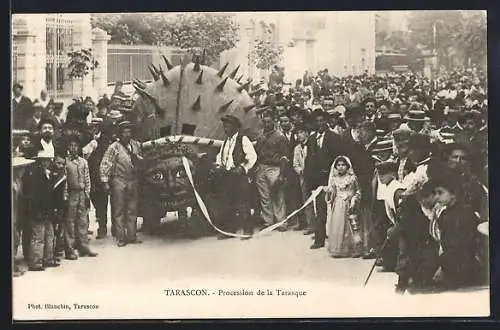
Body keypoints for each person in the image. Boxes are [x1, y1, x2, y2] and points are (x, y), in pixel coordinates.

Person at [432, 174, 484, 289]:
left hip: (463, 261)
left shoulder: (466, 213)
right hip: (451, 258)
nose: (437, 197)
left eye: (440, 193)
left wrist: (443, 266)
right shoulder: (445, 213)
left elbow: (463, 245)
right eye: (435, 193)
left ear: (453, 194)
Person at [305, 109, 345, 249]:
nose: (320, 124)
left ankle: (335, 239)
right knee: (319, 210)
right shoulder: (311, 139)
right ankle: (319, 239)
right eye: (317, 121)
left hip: (331, 179)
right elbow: (308, 160)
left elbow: (339, 158)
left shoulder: (334, 137)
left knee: (334, 209)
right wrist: (309, 180)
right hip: (317, 181)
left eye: (322, 121)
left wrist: (335, 176)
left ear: (326, 122)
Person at [100, 121, 143, 247]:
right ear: (120, 133)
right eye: (125, 132)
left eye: (129, 131)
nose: (127, 134)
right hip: (119, 180)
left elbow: (141, 160)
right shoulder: (114, 147)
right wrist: (105, 182)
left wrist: (138, 159)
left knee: (132, 209)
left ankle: (132, 235)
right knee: (118, 210)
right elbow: (105, 163)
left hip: (133, 180)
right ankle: (120, 237)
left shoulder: (136, 145)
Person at [214, 115, 258, 239]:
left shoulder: (243, 139)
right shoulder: (225, 142)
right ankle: (230, 231)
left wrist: (243, 168)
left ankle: (248, 230)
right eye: (224, 126)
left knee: (243, 203)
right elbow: (220, 157)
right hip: (227, 176)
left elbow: (252, 156)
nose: (225, 128)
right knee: (228, 204)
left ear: (235, 127)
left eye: (228, 126)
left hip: (239, 176)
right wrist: (218, 166)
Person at [254, 111, 290, 232]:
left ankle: (281, 222)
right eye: (265, 122)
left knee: (277, 194)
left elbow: (284, 157)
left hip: (274, 167)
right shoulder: (260, 136)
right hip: (262, 167)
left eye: (269, 122)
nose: (267, 124)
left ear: (274, 122)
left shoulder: (280, 137)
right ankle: (268, 221)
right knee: (264, 196)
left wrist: (281, 175)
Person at [64, 137, 97, 259]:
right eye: (71, 145)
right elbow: (65, 180)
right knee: (70, 222)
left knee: (82, 221)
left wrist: (87, 193)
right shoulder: (66, 162)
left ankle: (84, 246)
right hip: (71, 194)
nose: (73, 148)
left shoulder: (84, 162)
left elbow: (87, 178)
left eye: (76, 146)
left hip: (82, 194)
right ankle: (70, 249)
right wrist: (65, 195)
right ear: (68, 148)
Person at [27, 150, 59, 271]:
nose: (46, 162)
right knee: (38, 236)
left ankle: (48, 259)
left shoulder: (48, 174)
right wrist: (37, 210)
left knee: (49, 235)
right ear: (39, 161)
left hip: (47, 210)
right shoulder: (35, 175)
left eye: (48, 160)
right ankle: (35, 262)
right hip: (38, 210)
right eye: (43, 160)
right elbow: (34, 195)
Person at [325, 156, 362, 258]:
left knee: (351, 225)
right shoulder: (334, 180)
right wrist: (329, 193)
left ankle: (352, 248)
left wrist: (354, 198)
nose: (341, 167)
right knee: (338, 225)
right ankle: (338, 249)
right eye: (339, 165)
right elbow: (332, 194)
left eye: (343, 165)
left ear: (347, 166)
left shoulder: (352, 178)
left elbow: (358, 191)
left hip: (350, 204)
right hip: (338, 205)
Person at [12, 156, 36, 276]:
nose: (23, 170)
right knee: (13, 238)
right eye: (21, 168)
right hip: (13, 213)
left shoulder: (19, 181)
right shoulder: (12, 183)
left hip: (18, 212)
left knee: (16, 238)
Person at [292, 123, 314, 232]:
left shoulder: (312, 144)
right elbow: (295, 164)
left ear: (307, 133)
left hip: (313, 178)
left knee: (314, 202)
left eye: (301, 132)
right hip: (303, 178)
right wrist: (301, 171)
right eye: (297, 133)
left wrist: (310, 172)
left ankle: (316, 225)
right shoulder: (297, 148)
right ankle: (309, 224)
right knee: (305, 201)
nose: (299, 135)